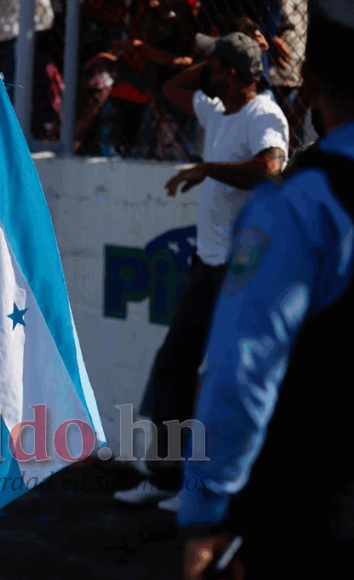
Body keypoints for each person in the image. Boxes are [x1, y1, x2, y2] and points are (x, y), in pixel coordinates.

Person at [179, 1, 354, 577]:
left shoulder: (305, 203)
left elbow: (243, 367)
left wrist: (208, 510)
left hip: (317, 507)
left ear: (313, 81)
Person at [113, 31, 288, 511]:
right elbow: (172, 89)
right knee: (174, 366)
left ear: (230, 74)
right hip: (207, 266)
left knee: (226, 378)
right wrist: (206, 53)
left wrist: (209, 169)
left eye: (214, 67)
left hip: (243, 272)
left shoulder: (263, 114)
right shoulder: (218, 111)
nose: (206, 72)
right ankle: (167, 476)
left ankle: (210, 487)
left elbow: (271, 167)